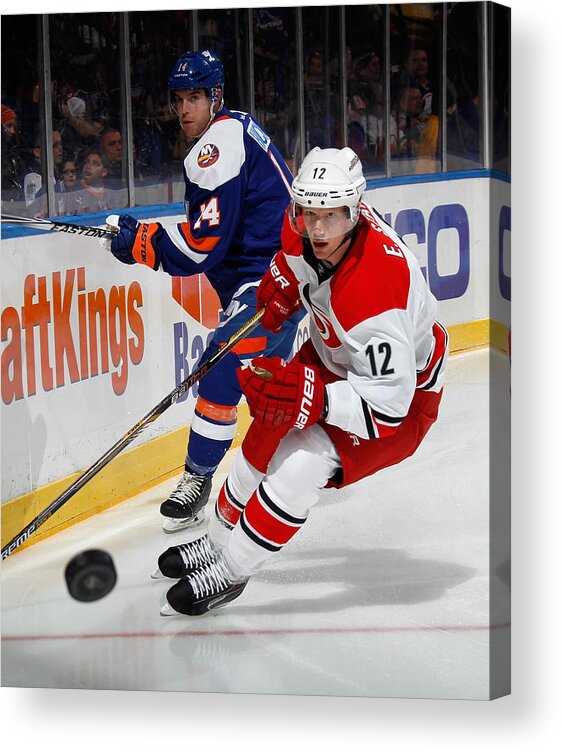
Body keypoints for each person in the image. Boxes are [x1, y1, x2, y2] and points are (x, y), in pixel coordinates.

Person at [154, 146, 449, 617]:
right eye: (308, 212)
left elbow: (389, 409)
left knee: (299, 464)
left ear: (353, 213)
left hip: (401, 399)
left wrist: (316, 400)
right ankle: (214, 540)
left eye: (329, 217)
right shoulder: (306, 223)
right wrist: (283, 282)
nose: (316, 228)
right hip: (335, 352)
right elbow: (295, 259)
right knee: (268, 425)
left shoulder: (377, 293)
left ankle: (230, 570)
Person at [106, 50, 301, 535]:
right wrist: (144, 236)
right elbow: (212, 229)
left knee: (217, 372)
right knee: (262, 382)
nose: (185, 109)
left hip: (269, 281)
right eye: (179, 99)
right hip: (281, 275)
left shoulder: (215, 146)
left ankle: (196, 481)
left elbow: (200, 248)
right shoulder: (236, 126)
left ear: (216, 96)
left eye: (195, 97)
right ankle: (292, 467)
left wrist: (140, 245)